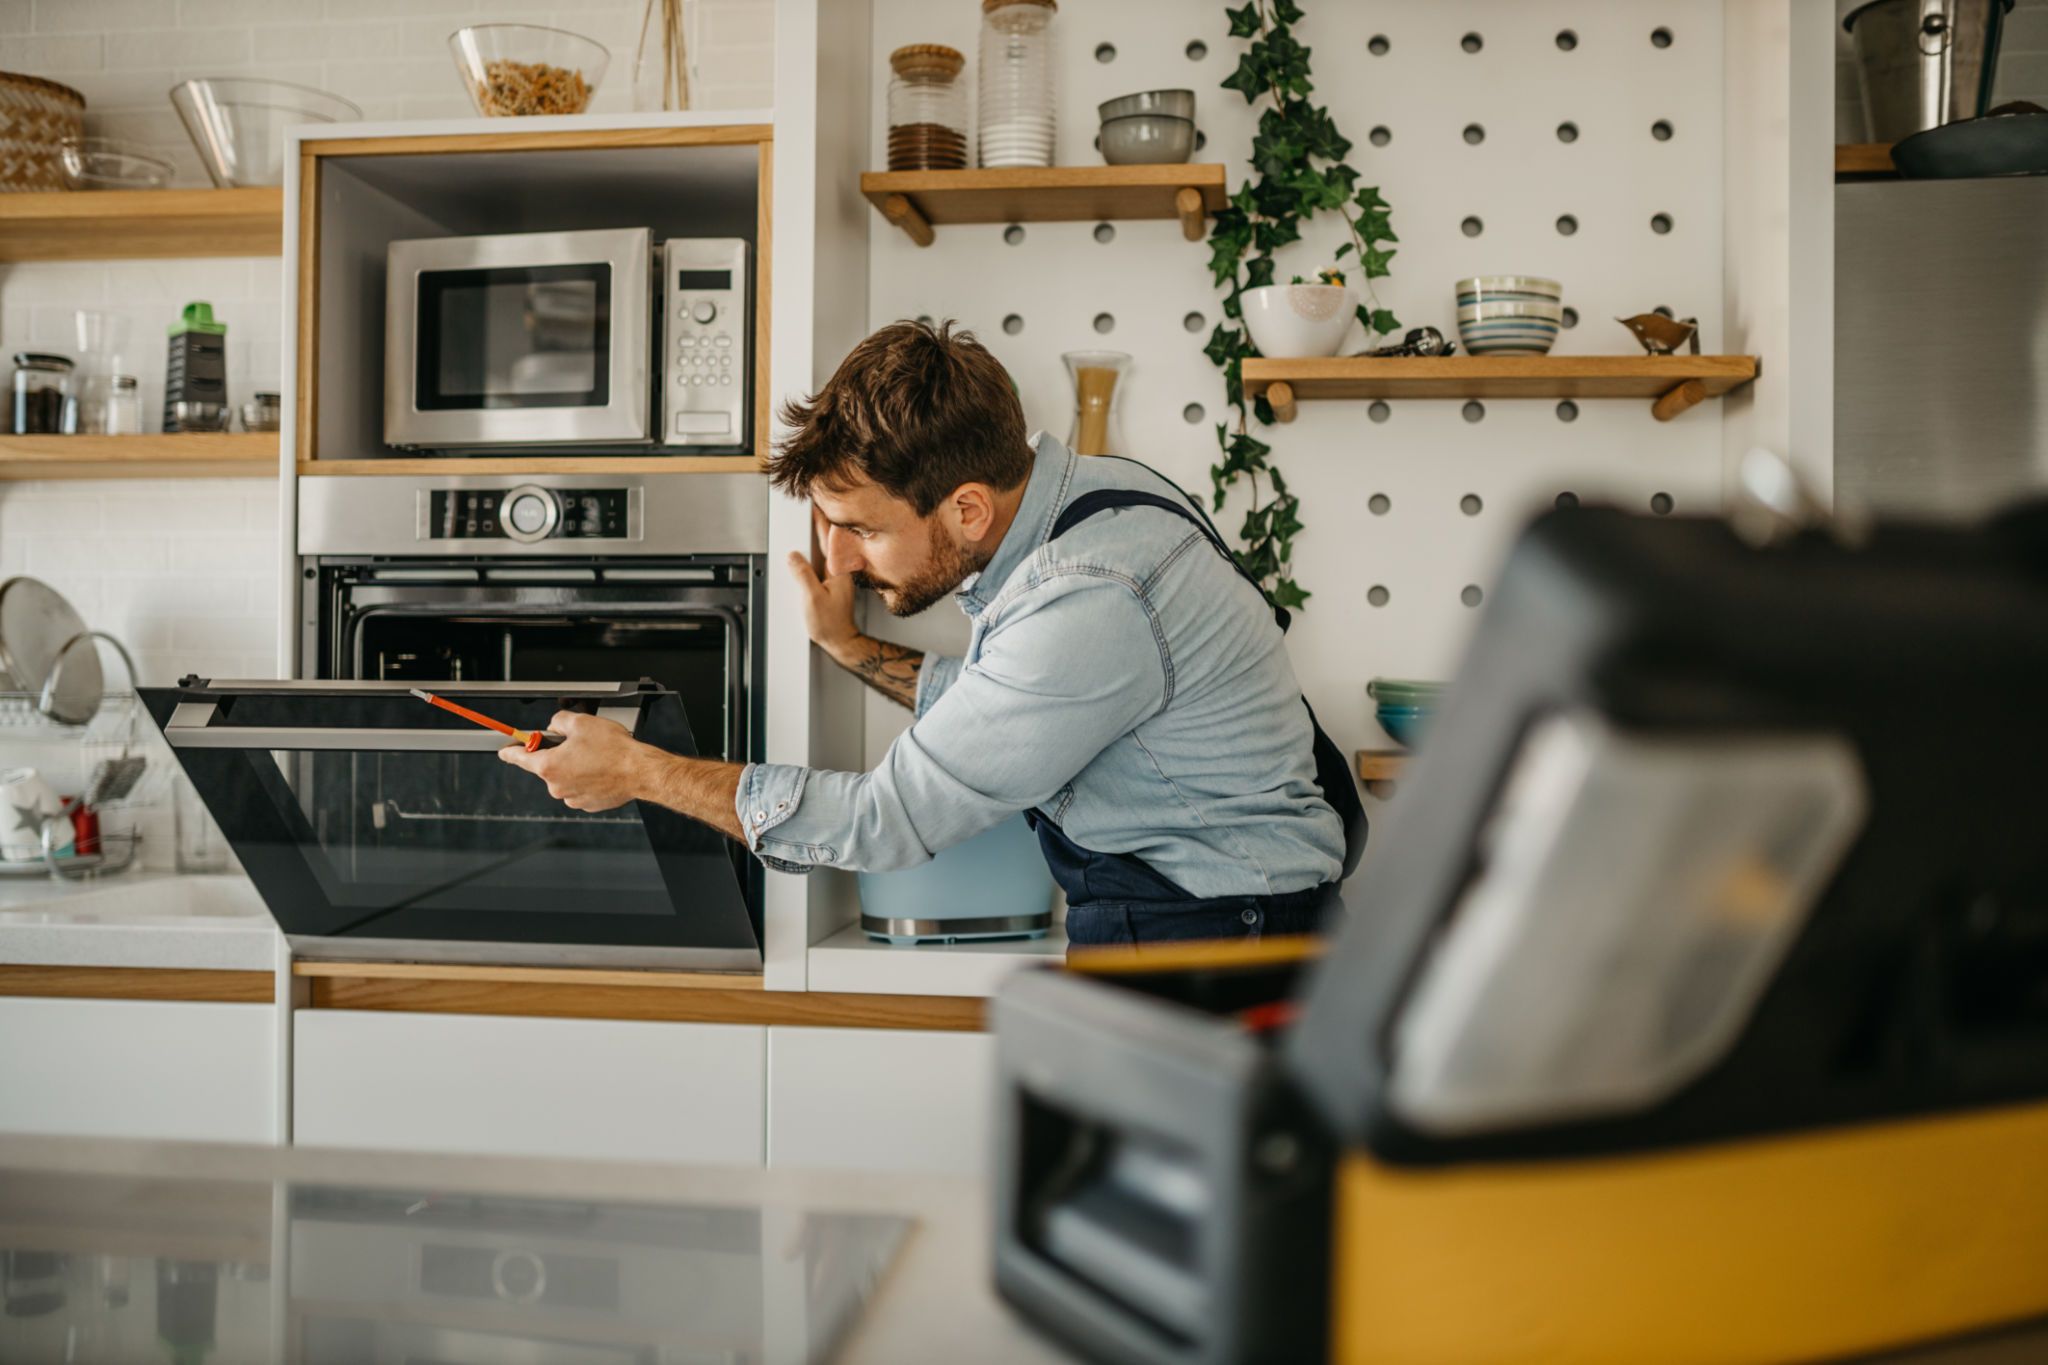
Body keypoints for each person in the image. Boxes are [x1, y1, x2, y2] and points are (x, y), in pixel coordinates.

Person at [500, 320, 1357, 946]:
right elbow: (1007, 704)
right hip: (1224, 920)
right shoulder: (1097, 494)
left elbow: (885, 822)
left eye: (862, 528)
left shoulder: (1089, 595)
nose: (838, 554)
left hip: (1216, 943)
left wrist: (638, 769)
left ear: (968, 508)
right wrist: (849, 646)